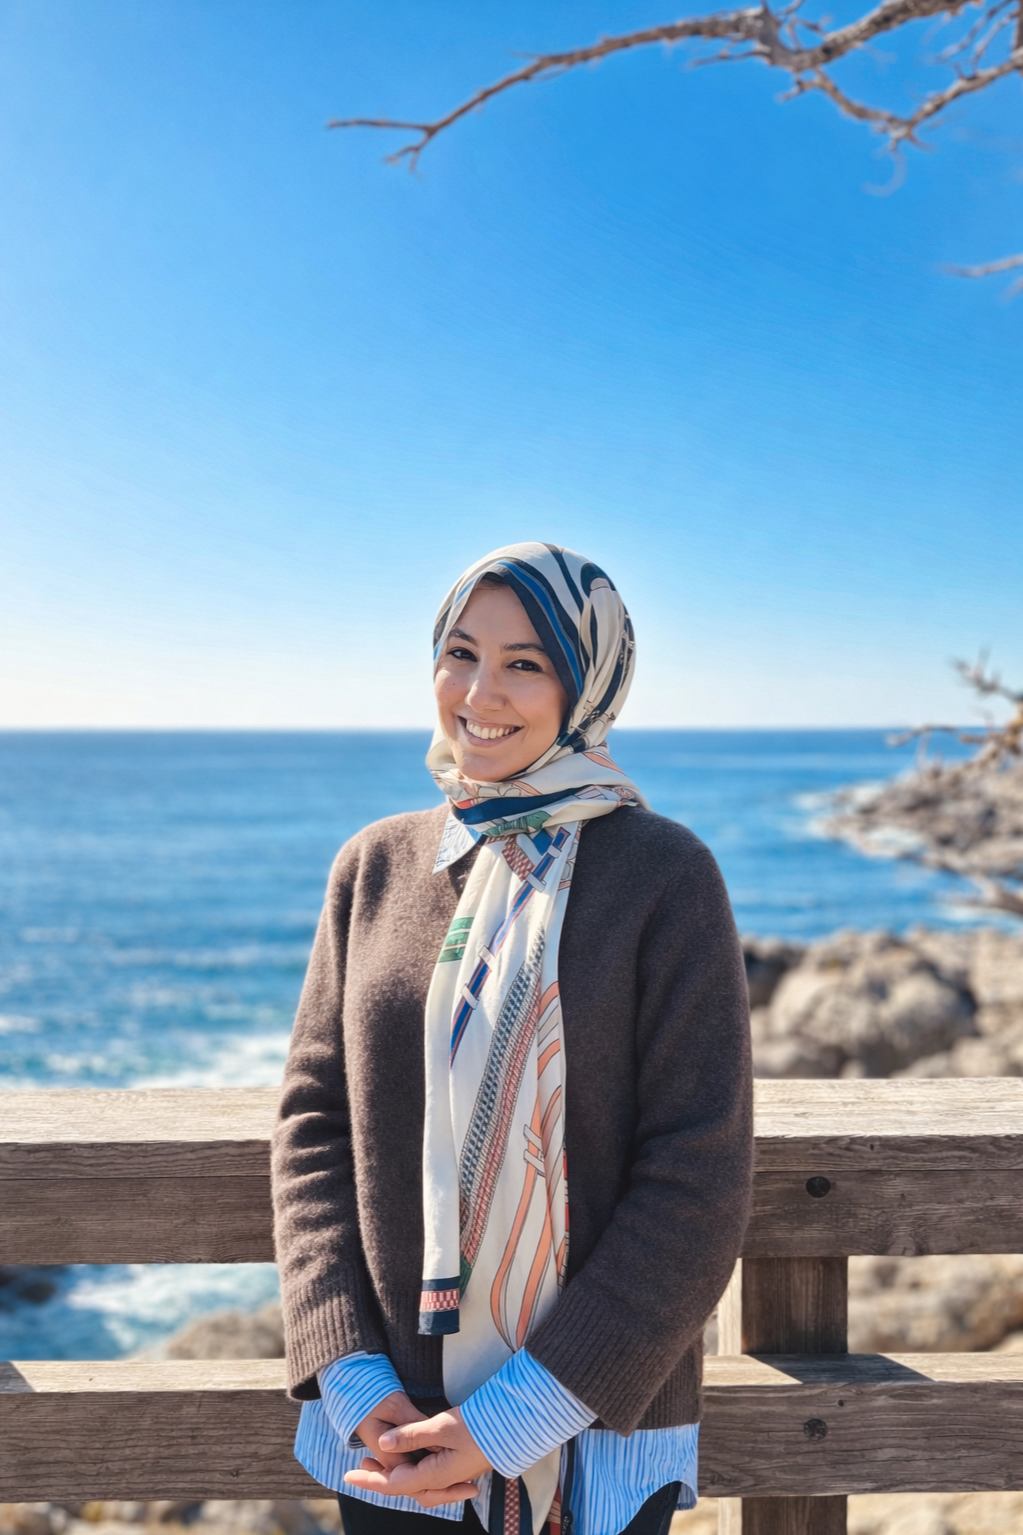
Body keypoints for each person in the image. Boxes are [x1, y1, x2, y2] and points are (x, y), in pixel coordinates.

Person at [271, 542, 752, 1535]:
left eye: (527, 662)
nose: (480, 691)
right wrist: (350, 1370)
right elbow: (315, 1122)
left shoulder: (665, 876)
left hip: (590, 1441)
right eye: (460, 651)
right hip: (392, 1435)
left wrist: (510, 1419)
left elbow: (696, 1178)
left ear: (588, 685)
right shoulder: (375, 866)